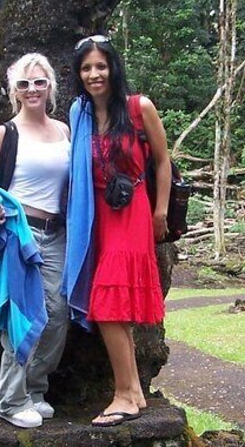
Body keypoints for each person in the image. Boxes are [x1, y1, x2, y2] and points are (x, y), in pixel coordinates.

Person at [64, 35, 171, 427]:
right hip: (97, 217)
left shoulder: (138, 107)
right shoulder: (80, 114)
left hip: (133, 212)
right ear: (79, 74)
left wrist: (159, 211)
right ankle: (135, 392)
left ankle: (124, 393)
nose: (94, 74)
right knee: (116, 307)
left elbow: (162, 161)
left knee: (108, 305)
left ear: (113, 67)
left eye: (101, 66)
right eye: (87, 68)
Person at [0, 53, 70, 429]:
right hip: (19, 233)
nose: (32, 89)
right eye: (24, 83)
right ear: (13, 91)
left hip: (57, 235)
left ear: (50, 87)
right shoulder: (6, 133)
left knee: (59, 315)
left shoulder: (64, 131)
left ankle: (34, 389)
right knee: (21, 317)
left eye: (39, 82)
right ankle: (10, 400)